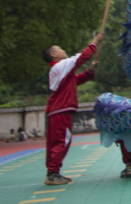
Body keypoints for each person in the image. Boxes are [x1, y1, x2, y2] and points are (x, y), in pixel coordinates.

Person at [42, 34, 100, 185]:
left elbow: (76, 80)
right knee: (62, 141)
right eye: (60, 49)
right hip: (61, 110)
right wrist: (94, 43)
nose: (63, 50)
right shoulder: (61, 66)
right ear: (53, 54)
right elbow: (81, 58)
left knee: (57, 141)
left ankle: (53, 171)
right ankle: (53, 173)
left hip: (57, 110)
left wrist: (90, 71)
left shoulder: (60, 71)